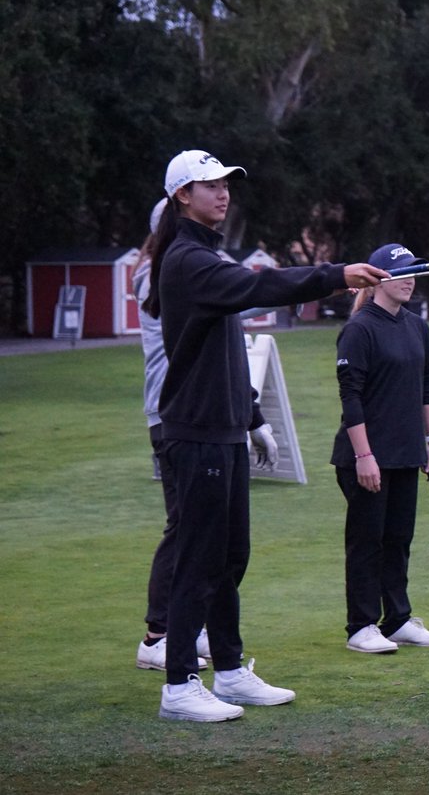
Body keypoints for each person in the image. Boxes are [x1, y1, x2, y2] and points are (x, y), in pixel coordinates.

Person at [144, 149, 390, 722]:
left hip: (224, 430)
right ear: (184, 196)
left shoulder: (206, 254)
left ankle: (227, 671)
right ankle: (179, 684)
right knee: (199, 561)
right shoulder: (187, 260)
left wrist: (252, 416)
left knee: (230, 556)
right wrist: (335, 275)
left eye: (228, 183)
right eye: (211, 185)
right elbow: (264, 285)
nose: (224, 192)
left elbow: (225, 354)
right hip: (197, 433)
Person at [132, 198, 278, 674]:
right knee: (188, 534)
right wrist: (333, 279)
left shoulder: (193, 264)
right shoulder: (175, 269)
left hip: (215, 413)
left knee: (218, 544)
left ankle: (214, 653)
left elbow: (229, 345)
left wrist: (252, 415)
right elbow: (247, 292)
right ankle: (161, 635)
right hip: (180, 413)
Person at [331, 244, 429, 655]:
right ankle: (361, 625)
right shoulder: (360, 329)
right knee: (368, 540)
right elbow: (351, 399)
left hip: (406, 451)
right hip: (365, 456)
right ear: (378, 278)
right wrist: (365, 456)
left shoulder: (417, 326)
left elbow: (426, 386)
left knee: (399, 538)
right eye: (402, 272)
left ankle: (396, 619)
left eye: (415, 271)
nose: (410, 279)